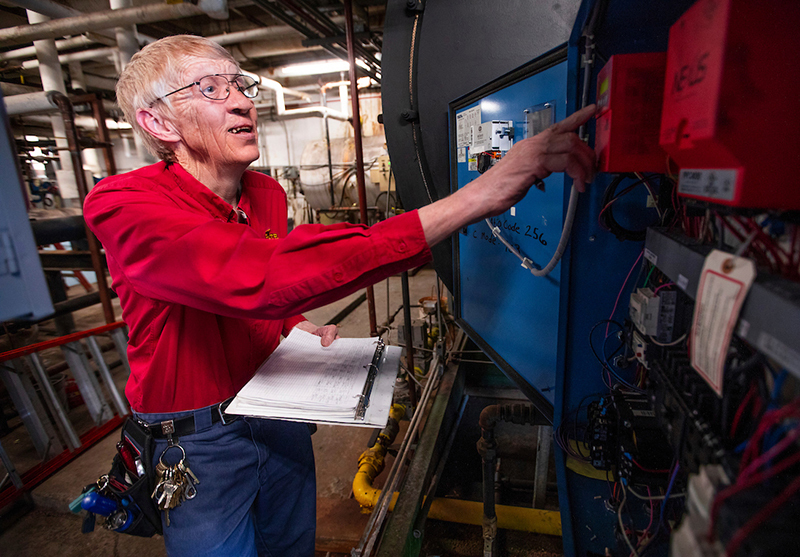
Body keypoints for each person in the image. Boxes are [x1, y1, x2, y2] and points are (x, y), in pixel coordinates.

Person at [83, 35, 596, 557]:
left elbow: (262, 294)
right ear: (160, 123)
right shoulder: (125, 204)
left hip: (277, 413)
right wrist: (476, 196)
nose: (241, 101)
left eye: (240, 83)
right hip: (197, 446)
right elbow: (255, 275)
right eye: (211, 88)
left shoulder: (267, 194)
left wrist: (288, 324)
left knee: (293, 547)